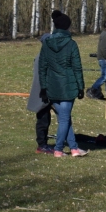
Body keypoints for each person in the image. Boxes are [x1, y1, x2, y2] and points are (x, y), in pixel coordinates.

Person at [38, 11, 88, 158]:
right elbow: (77, 67)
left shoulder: (46, 43)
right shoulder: (71, 44)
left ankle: (73, 148)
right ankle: (58, 150)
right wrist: (80, 87)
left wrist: (43, 87)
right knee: (64, 119)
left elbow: (43, 67)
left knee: (65, 118)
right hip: (68, 86)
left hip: (52, 86)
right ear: (67, 27)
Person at [27, 11, 61, 154]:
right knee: (44, 120)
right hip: (44, 92)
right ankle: (42, 145)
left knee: (46, 118)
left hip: (46, 92)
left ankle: (45, 144)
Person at [88, 20, 106, 102]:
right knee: (105, 77)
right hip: (105, 60)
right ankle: (92, 90)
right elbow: (102, 48)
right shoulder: (105, 35)